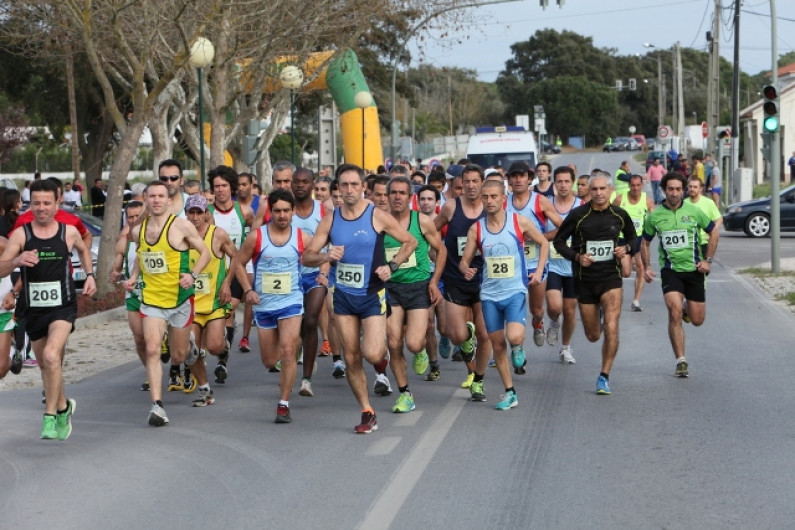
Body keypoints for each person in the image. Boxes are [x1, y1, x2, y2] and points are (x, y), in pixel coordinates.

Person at [302, 164, 417, 434]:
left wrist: (393, 266)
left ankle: (379, 354)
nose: (350, 190)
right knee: (352, 357)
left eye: (355, 184)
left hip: (372, 294)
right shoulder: (330, 220)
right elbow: (307, 256)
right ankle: (367, 411)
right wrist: (326, 257)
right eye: (345, 185)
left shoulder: (376, 215)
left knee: (373, 352)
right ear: (338, 189)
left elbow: (409, 242)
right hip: (343, 296)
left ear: (363, 186)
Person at [0, 178, 97, 439]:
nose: (41, 208)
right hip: (33, 309)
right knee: (45, 364)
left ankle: (50, 417)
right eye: (35, 203)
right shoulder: (22, 234)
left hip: (62, 307)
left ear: (57, 204)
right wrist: (18, 259)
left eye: (46, 203)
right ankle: (64, 406)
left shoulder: (68, 232)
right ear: (28, 205)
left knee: (53, 356)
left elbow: (84, 251)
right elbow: (2, 266)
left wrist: (89, 275)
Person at [123, 180, 211, 427]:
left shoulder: (181, 226)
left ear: (169, 201)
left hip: (180, 300)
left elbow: (204, 252)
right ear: (146, 200)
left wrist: (192, 275)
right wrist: (132, 277)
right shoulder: (137, 231)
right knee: (151, 349)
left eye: (161, 196)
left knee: (179, 354)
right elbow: (141, 256)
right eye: (152, 196)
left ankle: (195, 359)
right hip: (151, 300)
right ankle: (157, 407)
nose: (156, 200)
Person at [460, 179, 548, 410]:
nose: (489, 201)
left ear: (503, 198)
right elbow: (464, 261)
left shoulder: (518, 221)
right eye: (485, 197)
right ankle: (510, 392)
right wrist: (465, 269)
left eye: (494, 197)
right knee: (497, 345)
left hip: (515, 292)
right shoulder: (476, 229)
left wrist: (538, 271)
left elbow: (543, 243)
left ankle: (519, 347)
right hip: (489, 295)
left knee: (514, 337)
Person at [553, 172, 637, 395]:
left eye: (603, 189)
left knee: (611, 325)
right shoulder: (578, 215)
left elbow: (633, 239)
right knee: (593, 336)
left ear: (610, 190)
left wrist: (625, 249)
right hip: (585, 280)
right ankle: (597, 318)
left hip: (611, 279)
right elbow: (559, 241)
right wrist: (577, 257)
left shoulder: (620, 215)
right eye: (594, 189)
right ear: (589, 191)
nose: (599, 193)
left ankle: (604, 376)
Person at [233, 189, 310, 423]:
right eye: (277, 211)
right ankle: (287, 362)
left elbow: (317, 258)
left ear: (293, 212)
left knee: (287, 351)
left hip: (291, 301)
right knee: (269, 360)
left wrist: (323, 273)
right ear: (270, 212)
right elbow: (238, 263)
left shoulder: (301, 238)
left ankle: (283, 403)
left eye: (287, 210)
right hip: (264, 305)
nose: (282, 215)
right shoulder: (257, 237)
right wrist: (248, 290)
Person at [642, 171, 718, 377]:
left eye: (678, 189)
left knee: (697, 320)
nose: (674, 193)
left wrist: (707, 260)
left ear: (683, 190)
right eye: (670, 189)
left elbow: (713, 231)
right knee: (674, 313)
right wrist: (647, 266)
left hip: (694, 270)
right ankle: (681, 360)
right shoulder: (655, 215)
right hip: (671, 271)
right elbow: (645, 242)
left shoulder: (694, 211)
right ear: (664, 190)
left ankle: (687, 306)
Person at [384, 177, 445, 413]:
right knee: (393, 342)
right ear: (387, 196)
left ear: (410, 197)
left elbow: (441, 251)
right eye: (393, 193)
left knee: (414, 342)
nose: (397, 197)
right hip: (391, 289)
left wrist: (435, 281)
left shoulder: (422, 222)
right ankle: (405, 393)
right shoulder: (381, 223)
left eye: (402, 193)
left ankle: (420, 351)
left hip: (418, 286)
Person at [434, 164, 492, 396]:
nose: (470, 186)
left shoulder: (491, 208)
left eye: (474, 181)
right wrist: (436, 252)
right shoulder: (451, 207)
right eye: (466, 181)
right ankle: (467, 344)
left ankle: (478, 379)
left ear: (481, 183)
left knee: (485, 334)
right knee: (456, 335)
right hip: (455, 278)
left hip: (485, 279)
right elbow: (431, 231)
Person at [505, 161, 562, 360]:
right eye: (514, 176)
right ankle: (516, 346)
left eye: (522, 176)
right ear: (509, 180)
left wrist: (539, 237)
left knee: (536, 309)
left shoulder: (540, 201)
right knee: (511, 306)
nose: (518, 179)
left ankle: (538, 322)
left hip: (536, 263)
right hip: (510, 265)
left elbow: (562, 228)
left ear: (530, 179)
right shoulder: (503, 202)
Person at [185, 194, 236, 407]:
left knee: (214, 347)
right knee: (192, 349)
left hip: (214, 302)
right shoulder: (180, 237)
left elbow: (237, 257)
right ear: (186, 214)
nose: (195, 217)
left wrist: (227, 284)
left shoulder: (218, 235)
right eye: (191, 212)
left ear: (207, 214)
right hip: (191, 303)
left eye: (199, 212)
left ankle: (223, 347)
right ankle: (204, 389)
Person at [206, 166, 254, 384]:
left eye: (224, 186)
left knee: (229, 310)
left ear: (232, 187)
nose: (220, 190)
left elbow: (252, 239)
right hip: (213, 273)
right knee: (220, 319)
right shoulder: (206, 213)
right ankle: (222, 351)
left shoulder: (244, 211)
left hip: (236, 271)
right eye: (216, 186)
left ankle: (222, 362)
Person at [290, 168, 332, 397]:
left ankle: (306, 379)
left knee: (311, 319)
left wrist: (324, 272)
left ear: (312, 184)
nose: (300, 185)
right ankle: (305, 351)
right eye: (296, 182)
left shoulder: (323, 210)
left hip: (317, 272)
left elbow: (329, 244)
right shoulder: (285, 210)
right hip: (290, 276)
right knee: (296, 324)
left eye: (305, 182)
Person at [544, 167, 583, 364]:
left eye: (567, 181)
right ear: (554, 184)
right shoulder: (547, 205)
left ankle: (566, 348)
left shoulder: (581, 205)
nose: (563, 185)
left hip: (573, 266)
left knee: (569, 311)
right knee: (554, 306)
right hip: (552, 265)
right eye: (559, 181)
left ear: (572, 183)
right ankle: (553, 320)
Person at [110, 200, 149, 391]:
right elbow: (116, 268)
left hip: (157, 293)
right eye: (130, 217)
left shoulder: (154, 235)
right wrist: (115, 274)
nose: (134, 220)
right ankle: (150, 372)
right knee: (140, 338)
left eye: (137, 215)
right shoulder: (124, 241)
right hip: (134, 294)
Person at [613, 174, 654, 311]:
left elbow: (654, 219)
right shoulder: (620, 199)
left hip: (638, 238)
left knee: (641, 267)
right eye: (633, 185)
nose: (635, 188)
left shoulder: (647, 201)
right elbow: (610, 216)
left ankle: (636, 301)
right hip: (623, 239)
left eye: (638, 185)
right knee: (626, 272)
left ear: (641, 185)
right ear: (629, 185)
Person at [685, 176, 722, 258]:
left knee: (702, 268)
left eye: (695, 187)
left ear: (700, 188)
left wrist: (712, 232)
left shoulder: (708, 203)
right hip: (688, 243)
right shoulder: (683, 203)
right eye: (690, 186)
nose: (692, 189)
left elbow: (719, 218)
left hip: (703, 242)